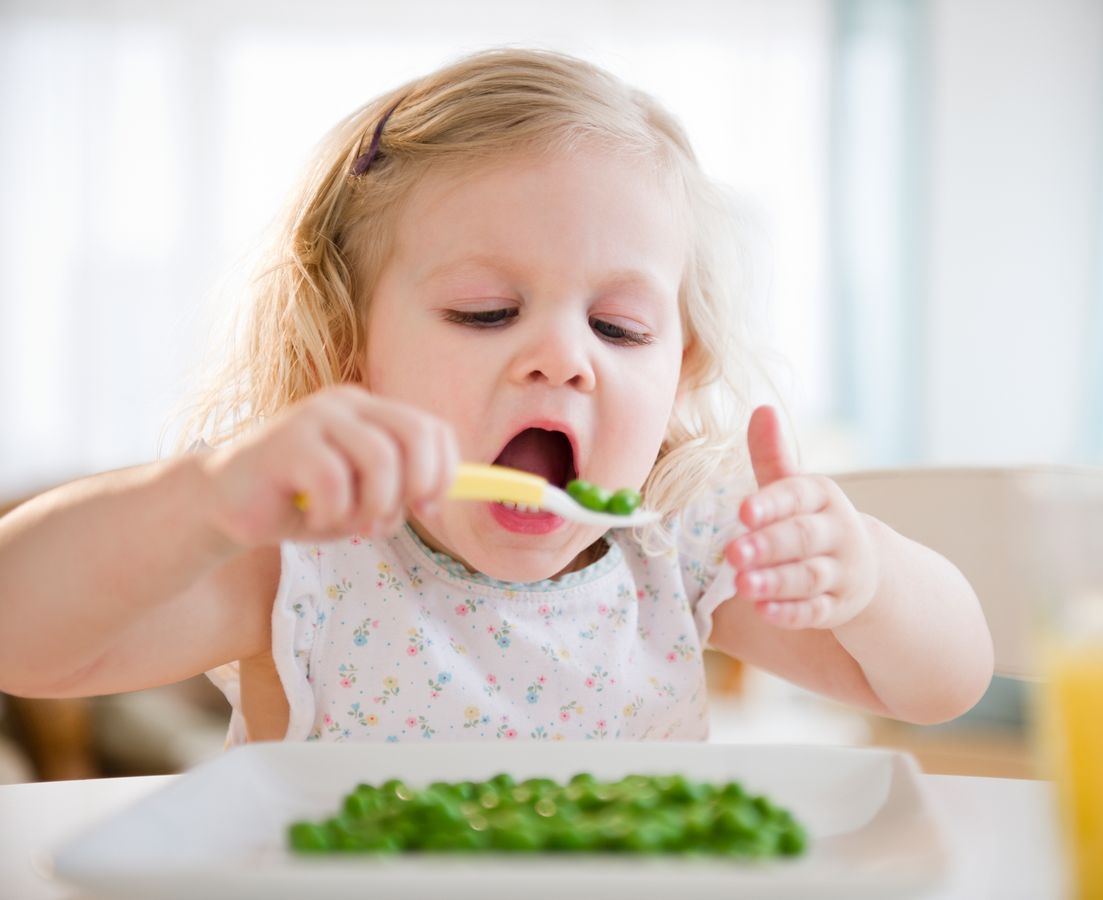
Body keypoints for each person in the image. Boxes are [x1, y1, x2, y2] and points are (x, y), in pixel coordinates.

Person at [0, 49, 992, 744]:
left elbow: (942, 687)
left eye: (620, 328)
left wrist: (867, 577)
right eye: (485, 312)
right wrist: (205, 497)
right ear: (350, 353)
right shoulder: (306, 566)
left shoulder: (679, 555)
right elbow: (21, 639)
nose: (563, 360)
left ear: (681, 372)